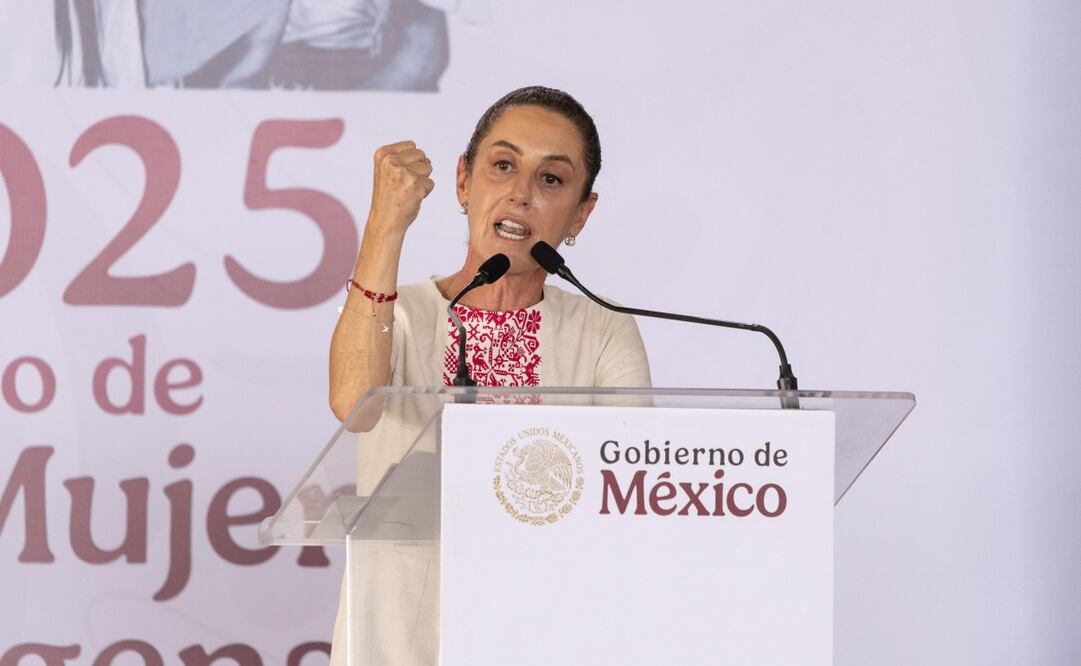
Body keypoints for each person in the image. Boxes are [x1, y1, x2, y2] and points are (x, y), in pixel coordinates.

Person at [329, 85, 651, 422]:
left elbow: (625, 466)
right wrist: (385, 224)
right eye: (503, 166)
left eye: (551, 179)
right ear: (463, 181)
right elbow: (354, 407)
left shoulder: (603, 329)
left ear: (581, 214)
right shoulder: (397, 316)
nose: (520, 194)